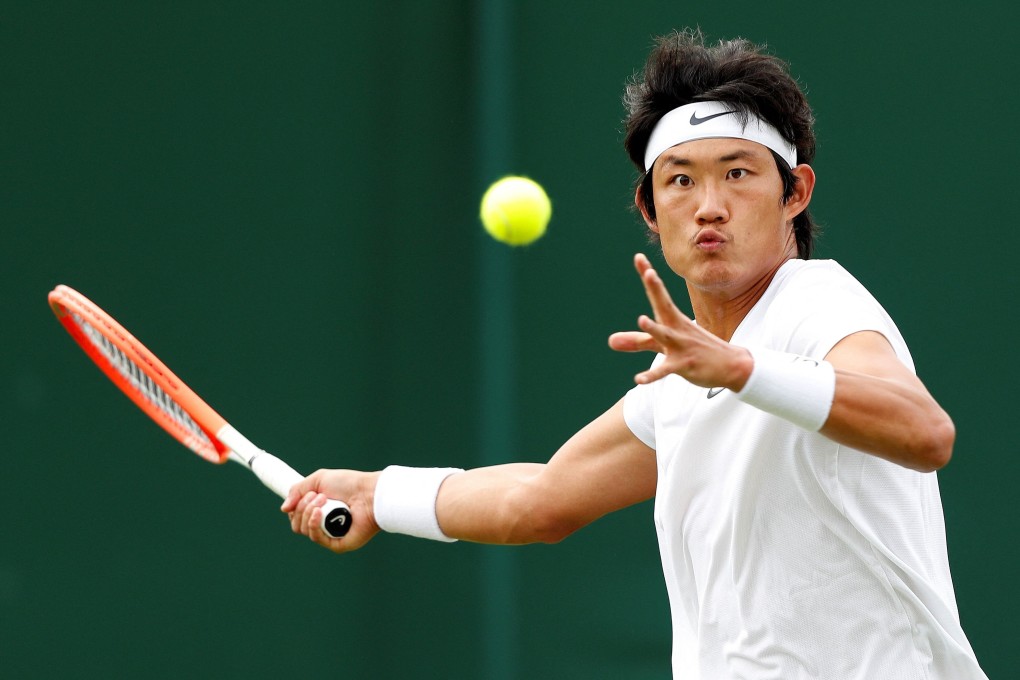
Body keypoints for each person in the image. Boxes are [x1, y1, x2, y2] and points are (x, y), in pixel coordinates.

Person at [282, 29, 987, 679]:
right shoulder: (682, 379)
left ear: (794, 192)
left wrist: (740, 370)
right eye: (680, 179)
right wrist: (379, 494)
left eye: (738, 174)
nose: (709, 205)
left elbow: (925, 433)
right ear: (650, 211)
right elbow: (541, 501)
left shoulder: (818, 303)